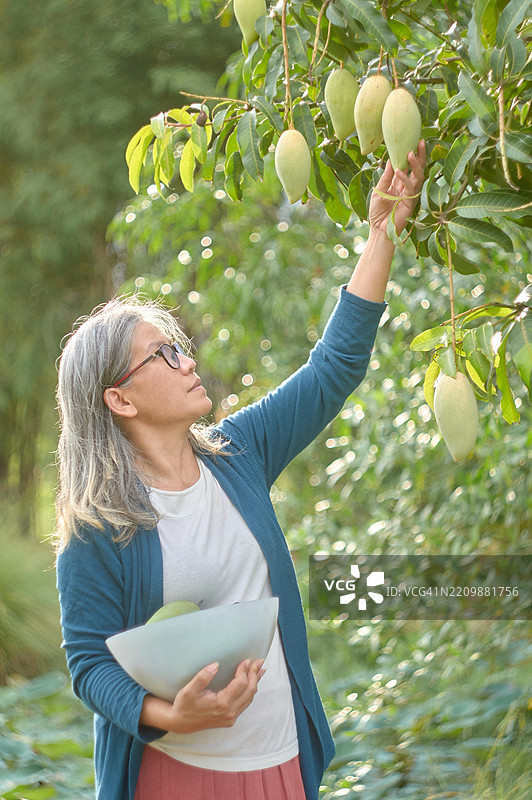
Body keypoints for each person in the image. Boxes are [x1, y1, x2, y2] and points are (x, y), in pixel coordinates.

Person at [55, 142, 425, 800]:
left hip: (282, 758)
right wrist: (168, 715)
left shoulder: (239, 452)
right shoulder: (98, 523)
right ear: (120, 398)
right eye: (163, 355)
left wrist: (382, 233)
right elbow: (89, 664)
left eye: (180, 346)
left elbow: (332, 369)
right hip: (177, 774)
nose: (186, 359)